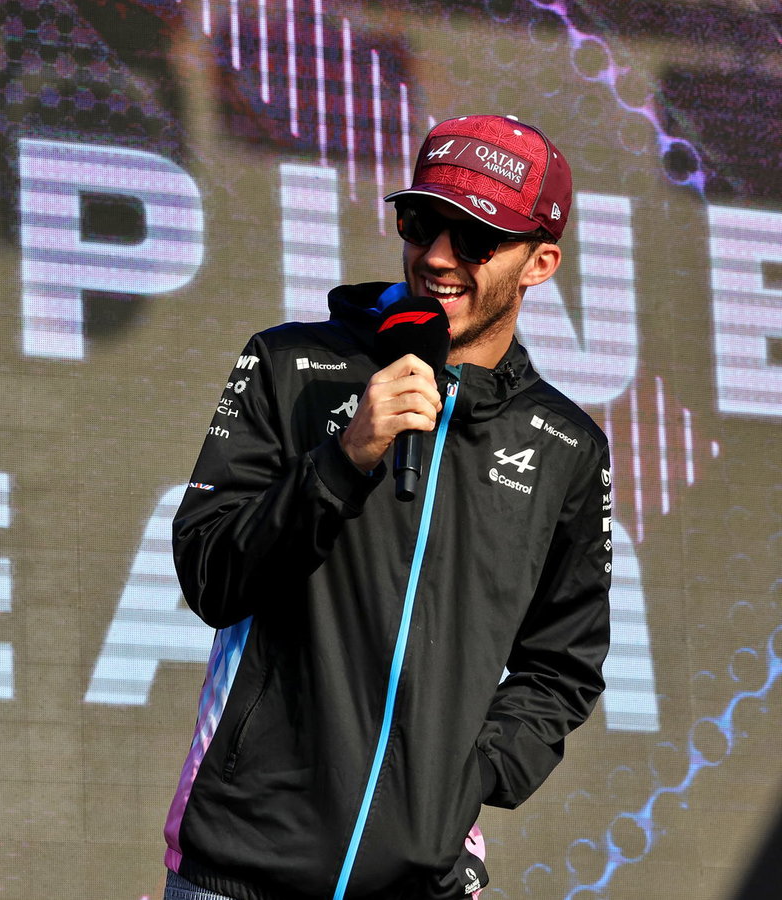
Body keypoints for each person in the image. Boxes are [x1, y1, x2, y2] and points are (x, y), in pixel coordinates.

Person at [163, 115, 611, 899]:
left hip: (422, 879)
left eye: (473, 239)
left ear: (539, 262)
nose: (437, 256)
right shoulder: (289, 364)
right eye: (420, 222)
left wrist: (460, 782)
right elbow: (209, 574)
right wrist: (342, 461)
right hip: (238, 868)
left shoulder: (565, 446)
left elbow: (562, 664)